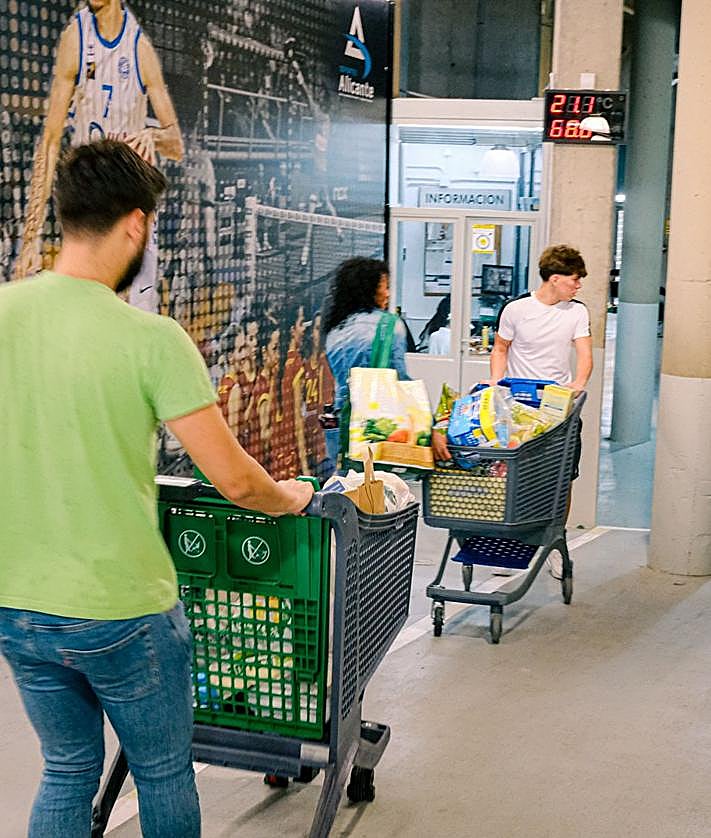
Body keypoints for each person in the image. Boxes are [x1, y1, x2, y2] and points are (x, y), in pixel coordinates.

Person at [0, 140, 313, 838]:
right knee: (163, 770)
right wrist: (288, 496)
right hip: (122, 607)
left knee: (66, 768)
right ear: (136, 224)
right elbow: (234, 478)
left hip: (16, 600)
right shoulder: (152, 339)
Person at [432, 244, 593, 577]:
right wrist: (495, 382)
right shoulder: (516, 310)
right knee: (510, 475)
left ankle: (553, 543)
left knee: (562, 477)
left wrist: (577, 385)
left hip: (557, 410)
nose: (578, 287)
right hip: (517, 408)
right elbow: (501, 348)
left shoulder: (576, 312)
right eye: (574, 280)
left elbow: (585, 356)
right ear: (555, 278)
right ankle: (509, 537)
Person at [15, 0, 184, 313]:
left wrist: (153, 134)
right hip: (92, 201)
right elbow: (50, 140)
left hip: (132, 204)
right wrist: (30, 238)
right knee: (88, 313)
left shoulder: (139, 48)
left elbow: (176, 145)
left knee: (136, 318)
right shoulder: (76, 37)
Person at [324, 257, 410, 465]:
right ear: (369, 290)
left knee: (348, 481)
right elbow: (399, 378)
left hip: (343, 419)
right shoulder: (389, 325)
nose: (388, 294)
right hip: (379, 421)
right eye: (384, 287)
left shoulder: (335, 330)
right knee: (380, 485)